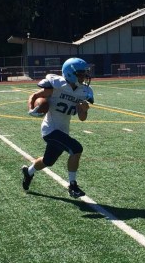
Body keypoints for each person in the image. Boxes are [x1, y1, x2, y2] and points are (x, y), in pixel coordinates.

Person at [22, 57, 94, 198]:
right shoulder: (56, 85)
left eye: (84, 73)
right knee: (77, 148)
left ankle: (28, 172)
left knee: (48, 161)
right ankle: (73, 186)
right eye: (80, 74)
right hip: (50, 130)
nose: (83, 77)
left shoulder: (83, 91)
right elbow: (35, 95)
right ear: (70, 73)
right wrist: (31, 108)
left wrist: (84, 109)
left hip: (62, 131)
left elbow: (82, 118)